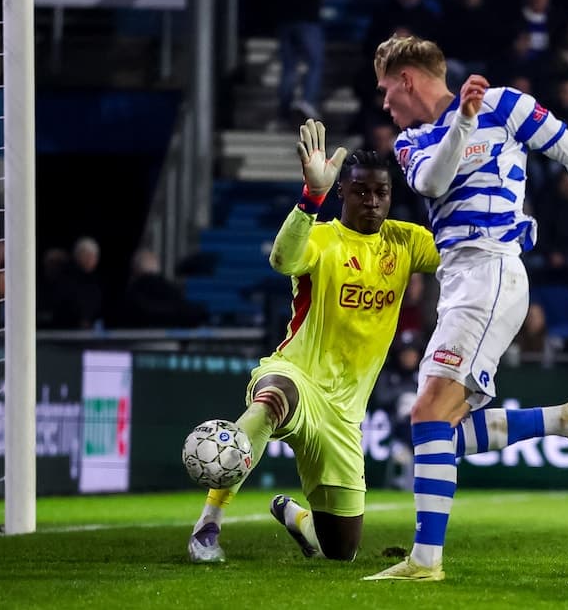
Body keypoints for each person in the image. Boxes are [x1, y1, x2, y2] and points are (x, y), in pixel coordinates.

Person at [365, 33, 568, 582]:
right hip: (461, 280)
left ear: (407, 80)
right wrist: (463, 122)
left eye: (385, 90)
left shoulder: (505, 104)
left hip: (491, 269)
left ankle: (425, 561)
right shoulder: (413, 140)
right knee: (439, 426)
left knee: (426, 414)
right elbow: (433, 180)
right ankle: (566, 419)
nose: (384, 102)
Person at [187, 123, 442, 563]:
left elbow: (459, 250)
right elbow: (281, 259)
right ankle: (208, 526)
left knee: (341, 551)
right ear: (342, 191)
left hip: (345, 415)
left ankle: (298, 520)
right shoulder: (321, 237)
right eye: (361, 192)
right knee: (271, 401)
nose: (373, 201)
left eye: (381, 192)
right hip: (297, 375)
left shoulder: (403, 242)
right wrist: (310, 198)